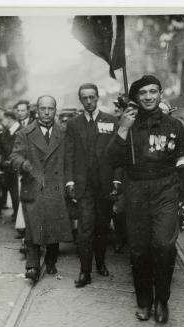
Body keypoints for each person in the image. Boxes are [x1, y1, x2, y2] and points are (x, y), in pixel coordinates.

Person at [107, 75, 184, 323]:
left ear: (160, 94)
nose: (148, 97)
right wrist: (123, 128)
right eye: (143, 93)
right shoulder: (127, 123)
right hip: (135, 191)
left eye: (153, 91)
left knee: (165, 246)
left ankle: (162, 300)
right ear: (136, 97)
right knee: (139, 250)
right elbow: (111, 160)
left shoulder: (174, 125)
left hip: (166, 191)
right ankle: (144, 300)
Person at [10, 95, 72, 283]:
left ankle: (51, 259)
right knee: (32, 229)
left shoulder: (64, 132)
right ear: (36, 110)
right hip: (33, 186)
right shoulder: (25, 133)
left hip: (55, 187)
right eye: (43, 108)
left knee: (53, 225)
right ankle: (32, 266)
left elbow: (69, 159)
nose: (46, 112)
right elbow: (14, 156)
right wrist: (24, 164)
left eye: (50, 109)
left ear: (55, 110)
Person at [64, 83, 119, 287]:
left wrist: (116, 180)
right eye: (84, 98)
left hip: (104, 184)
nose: (88, 101)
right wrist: (70, 180)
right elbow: (68, 154)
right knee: (85, 228)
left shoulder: (111, 121)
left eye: (92, 97)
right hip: (83, 184)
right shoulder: (73, 124)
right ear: (80, 99)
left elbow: (116, 154)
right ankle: (84, 271)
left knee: (102, 226)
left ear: (97, 98)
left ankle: (101, 262)